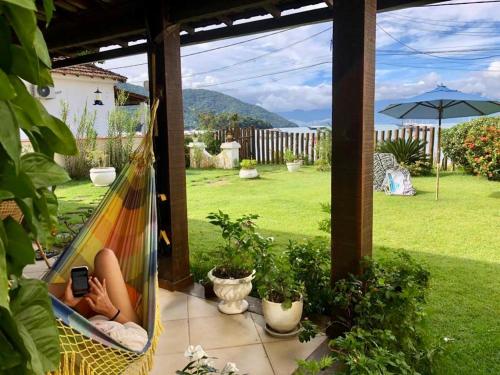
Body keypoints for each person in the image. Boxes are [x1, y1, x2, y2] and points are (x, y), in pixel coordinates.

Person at [50, 248, 147, 351]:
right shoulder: (129, 345)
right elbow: (141, 336)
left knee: (35, 290)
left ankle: (89, 280)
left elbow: (57, 331)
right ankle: (91, 280)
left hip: (81, 317)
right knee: (105, 256)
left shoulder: (75, 349)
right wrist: (109, 309)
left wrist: (67, 305)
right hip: (119, 313)